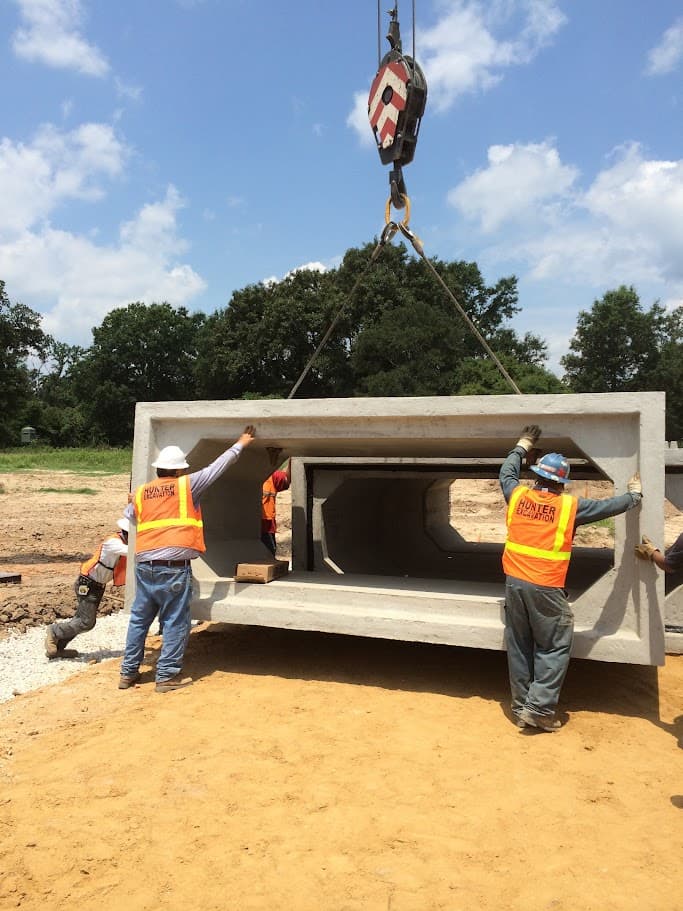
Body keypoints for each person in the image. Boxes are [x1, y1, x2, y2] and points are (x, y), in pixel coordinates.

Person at [499, 425, 643, 732]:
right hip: (546, 587)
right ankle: (538, 710)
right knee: (553, 645)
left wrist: (522, 445)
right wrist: (634, 495)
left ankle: (522, 705)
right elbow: (609, 506)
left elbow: (506, 473)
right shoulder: (570, 507)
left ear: (535, 475)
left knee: (520, 645)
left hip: (514, 583)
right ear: (562, 483)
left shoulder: (517, 495)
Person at [118, 426, 256, 693]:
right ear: (180, 470)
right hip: (172, 569)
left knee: (139, 620)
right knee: (175, 621)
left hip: (144, 567)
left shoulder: (142, 493)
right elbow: (218, 467)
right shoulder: (187, 485)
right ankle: (166, 676)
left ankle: (128, 674)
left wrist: (134, 501)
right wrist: (241, 443)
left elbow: (130, 518)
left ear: (159, 469)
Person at [45, 517, 129, 659]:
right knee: (86, 622)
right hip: (88, 584)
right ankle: (55, 631)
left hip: (96, 585)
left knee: (81, 620)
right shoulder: (113, 543)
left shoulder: (120, 542)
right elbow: (133, 551)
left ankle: (57, 648)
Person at [261, 455, 291, 556]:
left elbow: (287, 478)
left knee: (268, 557)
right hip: (253, 525)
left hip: (267, 525)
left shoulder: (273, 476)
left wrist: (293, 459)